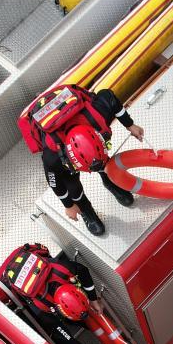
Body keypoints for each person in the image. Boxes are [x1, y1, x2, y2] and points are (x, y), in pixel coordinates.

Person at [22, 85, 145, 236]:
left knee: (103, 163)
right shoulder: (53, 157)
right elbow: (54, 183)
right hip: (63, 150)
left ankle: (109, 182)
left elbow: (108, 96)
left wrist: (130, 124)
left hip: (85, 128)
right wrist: (69, 206)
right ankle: (86, 210)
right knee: (73, 188)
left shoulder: (98, 114)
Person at [0, 243, 114, 344]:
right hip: (10, 276)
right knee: (50, 330)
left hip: (29, 261)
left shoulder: (63, 269)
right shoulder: (42, 308)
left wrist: (93, 300)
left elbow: (83, 271)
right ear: (58, 310)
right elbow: (65, 337)